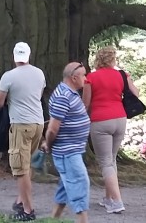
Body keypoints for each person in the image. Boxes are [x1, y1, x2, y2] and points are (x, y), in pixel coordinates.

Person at [82, 46, 139, 214]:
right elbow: (135, 93)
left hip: (100, 121)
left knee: (106, 162)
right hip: (120, 119)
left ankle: (117, 201)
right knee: (111, 159)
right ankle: (109, 198)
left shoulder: (90, 78)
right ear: (112, 59)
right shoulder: (122, 75)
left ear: (98, 59)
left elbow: (85, 104)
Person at [0, 42, 46, 221]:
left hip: (20, 124)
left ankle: (28, 210)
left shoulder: (8, 76)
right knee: (28, 164)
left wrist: (10, 97)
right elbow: (38, 96)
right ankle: (20, 200)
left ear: (14, 57)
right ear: (29, 56)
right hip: (38, 123)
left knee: (20, 168)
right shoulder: (39, 73)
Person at [40, 62, 92, 223]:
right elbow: (53, 129)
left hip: (72, 150)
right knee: (80, 187)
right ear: (74, 77)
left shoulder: (70, 93)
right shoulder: (63, 96)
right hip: (67, 152)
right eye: (83, 75)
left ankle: (53, 220)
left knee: (65, 190)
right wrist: (48, 144)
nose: (86, 78)